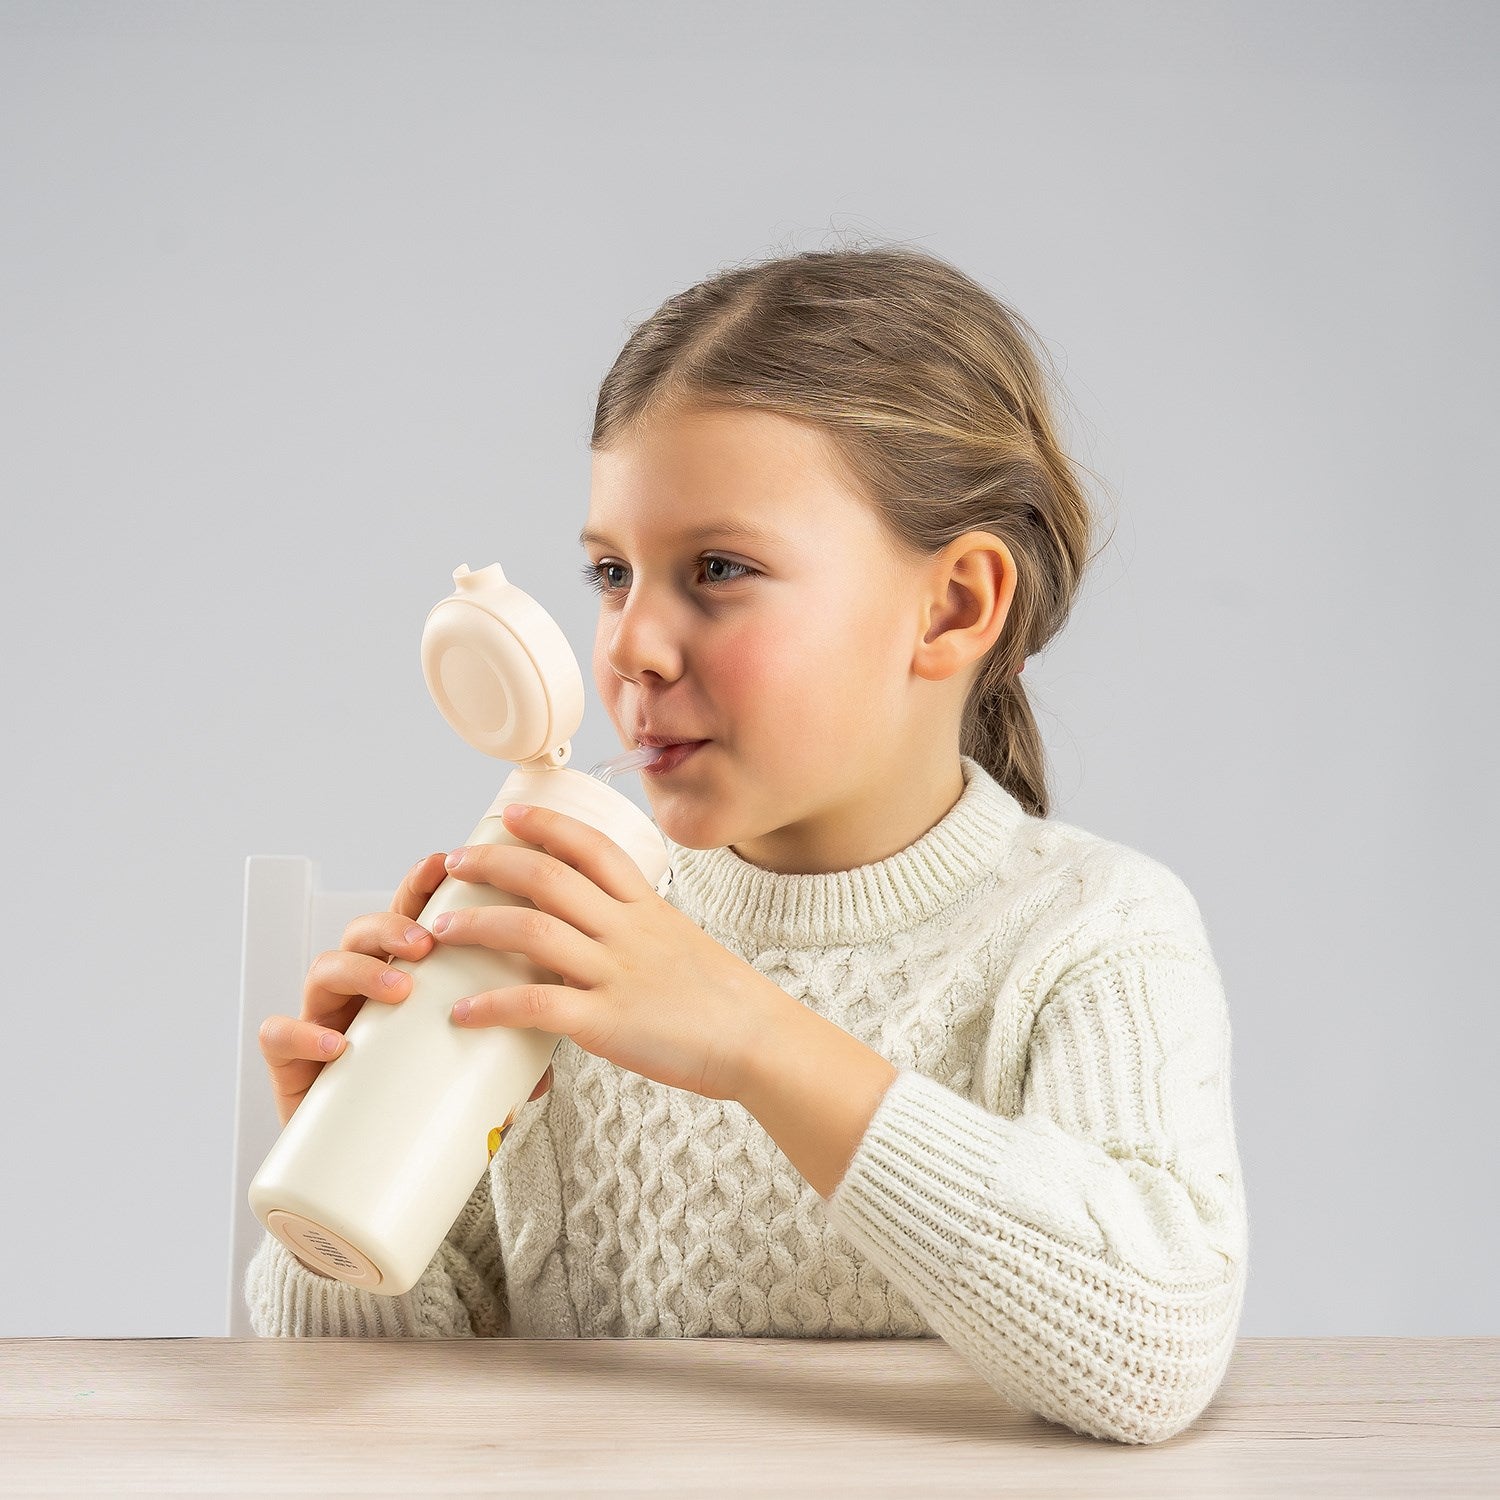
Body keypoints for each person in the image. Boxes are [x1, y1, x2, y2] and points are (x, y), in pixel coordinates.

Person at [247, 242, 1248, 1446]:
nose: (630, 645)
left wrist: (754, 1038)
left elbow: (1150, 1352)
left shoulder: (1095, 933)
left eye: (718, 569)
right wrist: (342, 1184)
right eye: (612, 573)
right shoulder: (564, 925)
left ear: (954, 606)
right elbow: (361, 1399)